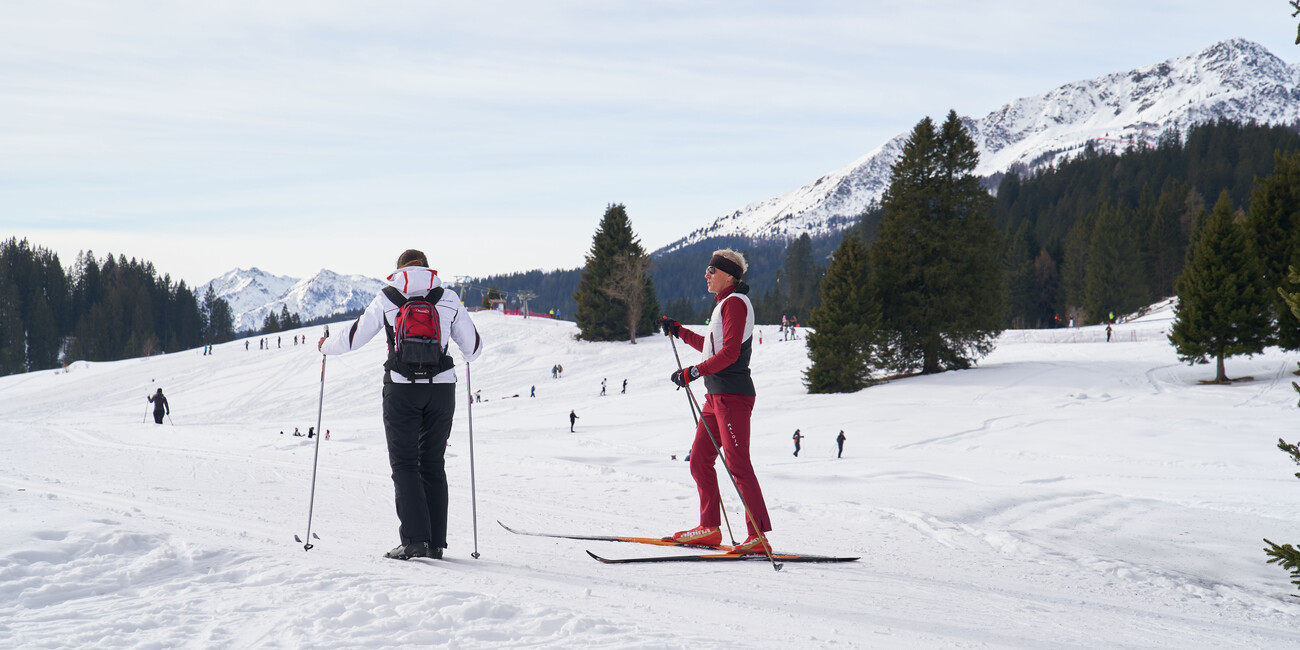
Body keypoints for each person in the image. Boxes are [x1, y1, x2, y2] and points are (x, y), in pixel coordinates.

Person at [318, 249, 483, 561]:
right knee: (433, 463)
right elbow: (473, 348)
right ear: (428, 269)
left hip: (401, 388)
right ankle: (435, 544)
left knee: (405, 464)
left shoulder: (388, 297)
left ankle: (414, 541)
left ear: (399, 270)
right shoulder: (447, 298)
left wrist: (325, 346)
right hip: (441, 390)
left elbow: (354, 337)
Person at [659, 248, 772, 554]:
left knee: (738, 465)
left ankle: (758, 536)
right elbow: (712, 349)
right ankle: (709, 528)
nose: (706, 275)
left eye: (711, 270)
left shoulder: (735, 303)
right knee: (699, 459)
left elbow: (730, 353)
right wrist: (679, 332)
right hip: (716, 397)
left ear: (728, 275)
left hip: (733, 396)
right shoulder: (724, 304)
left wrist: (693, 372)